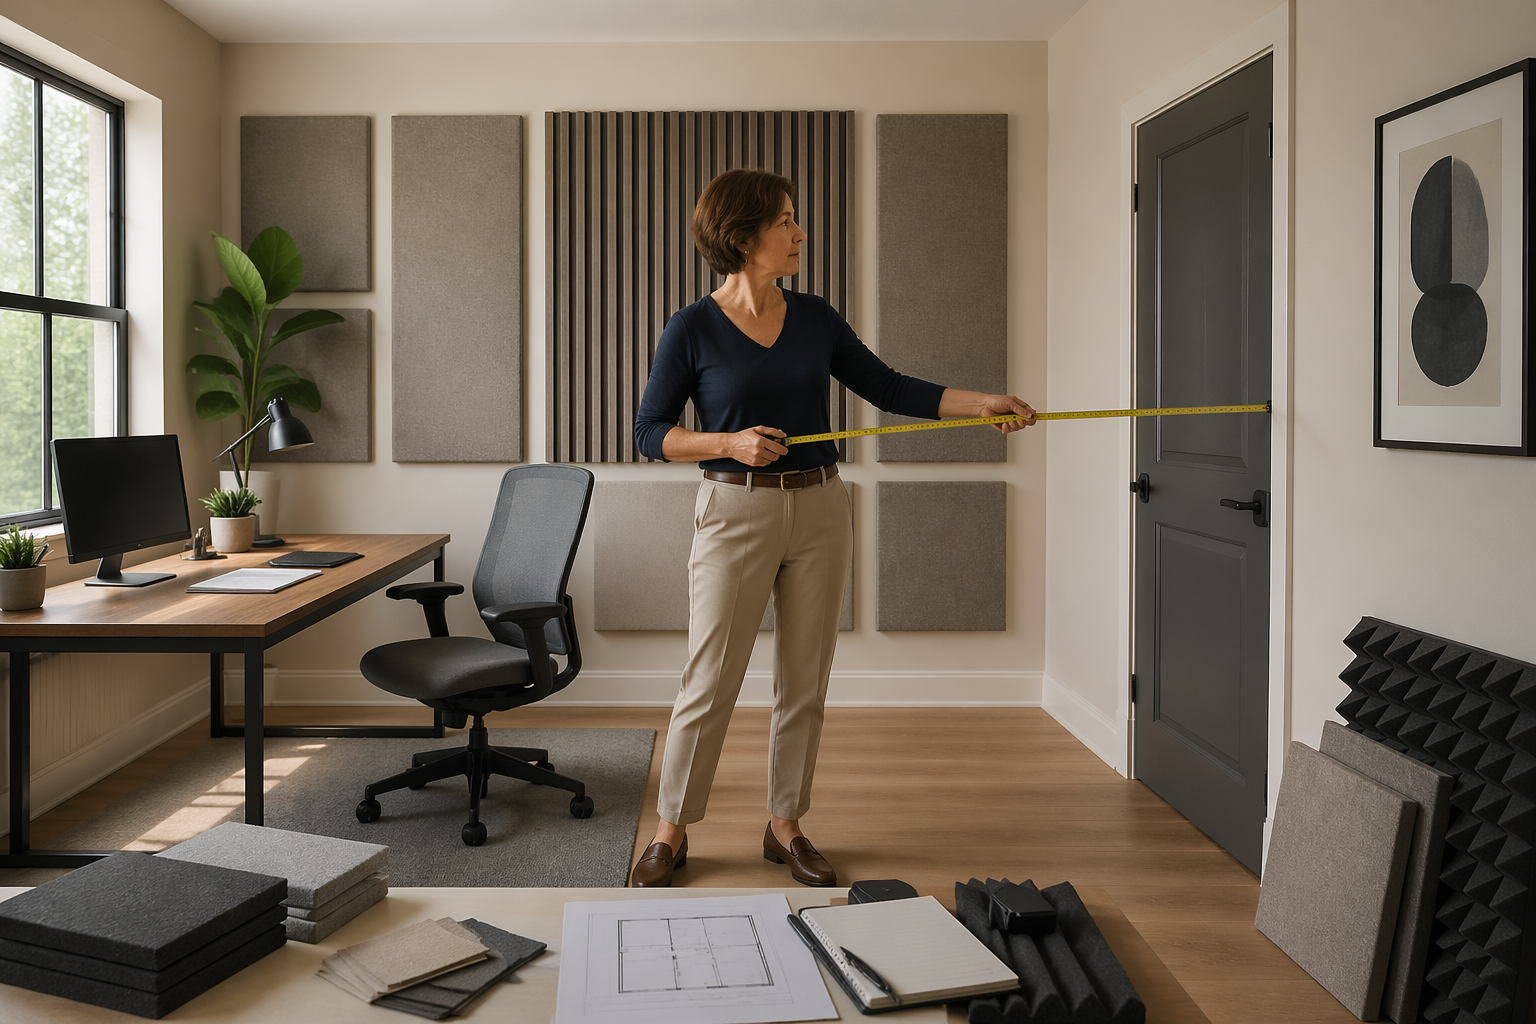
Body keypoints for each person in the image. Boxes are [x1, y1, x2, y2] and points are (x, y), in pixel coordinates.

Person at [629, 168, 1035, 888]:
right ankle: (671, 829)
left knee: (804, 681)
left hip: (820, 511)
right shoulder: (690, 327)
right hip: (733, 512)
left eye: (795, 218)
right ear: (743, 234)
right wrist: (727, 442)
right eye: (785, 221)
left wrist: (981, 403)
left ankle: (785, 824)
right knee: (709, 679)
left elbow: (888, 386)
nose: (799, 233)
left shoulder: (816, 316)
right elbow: (649, 432)